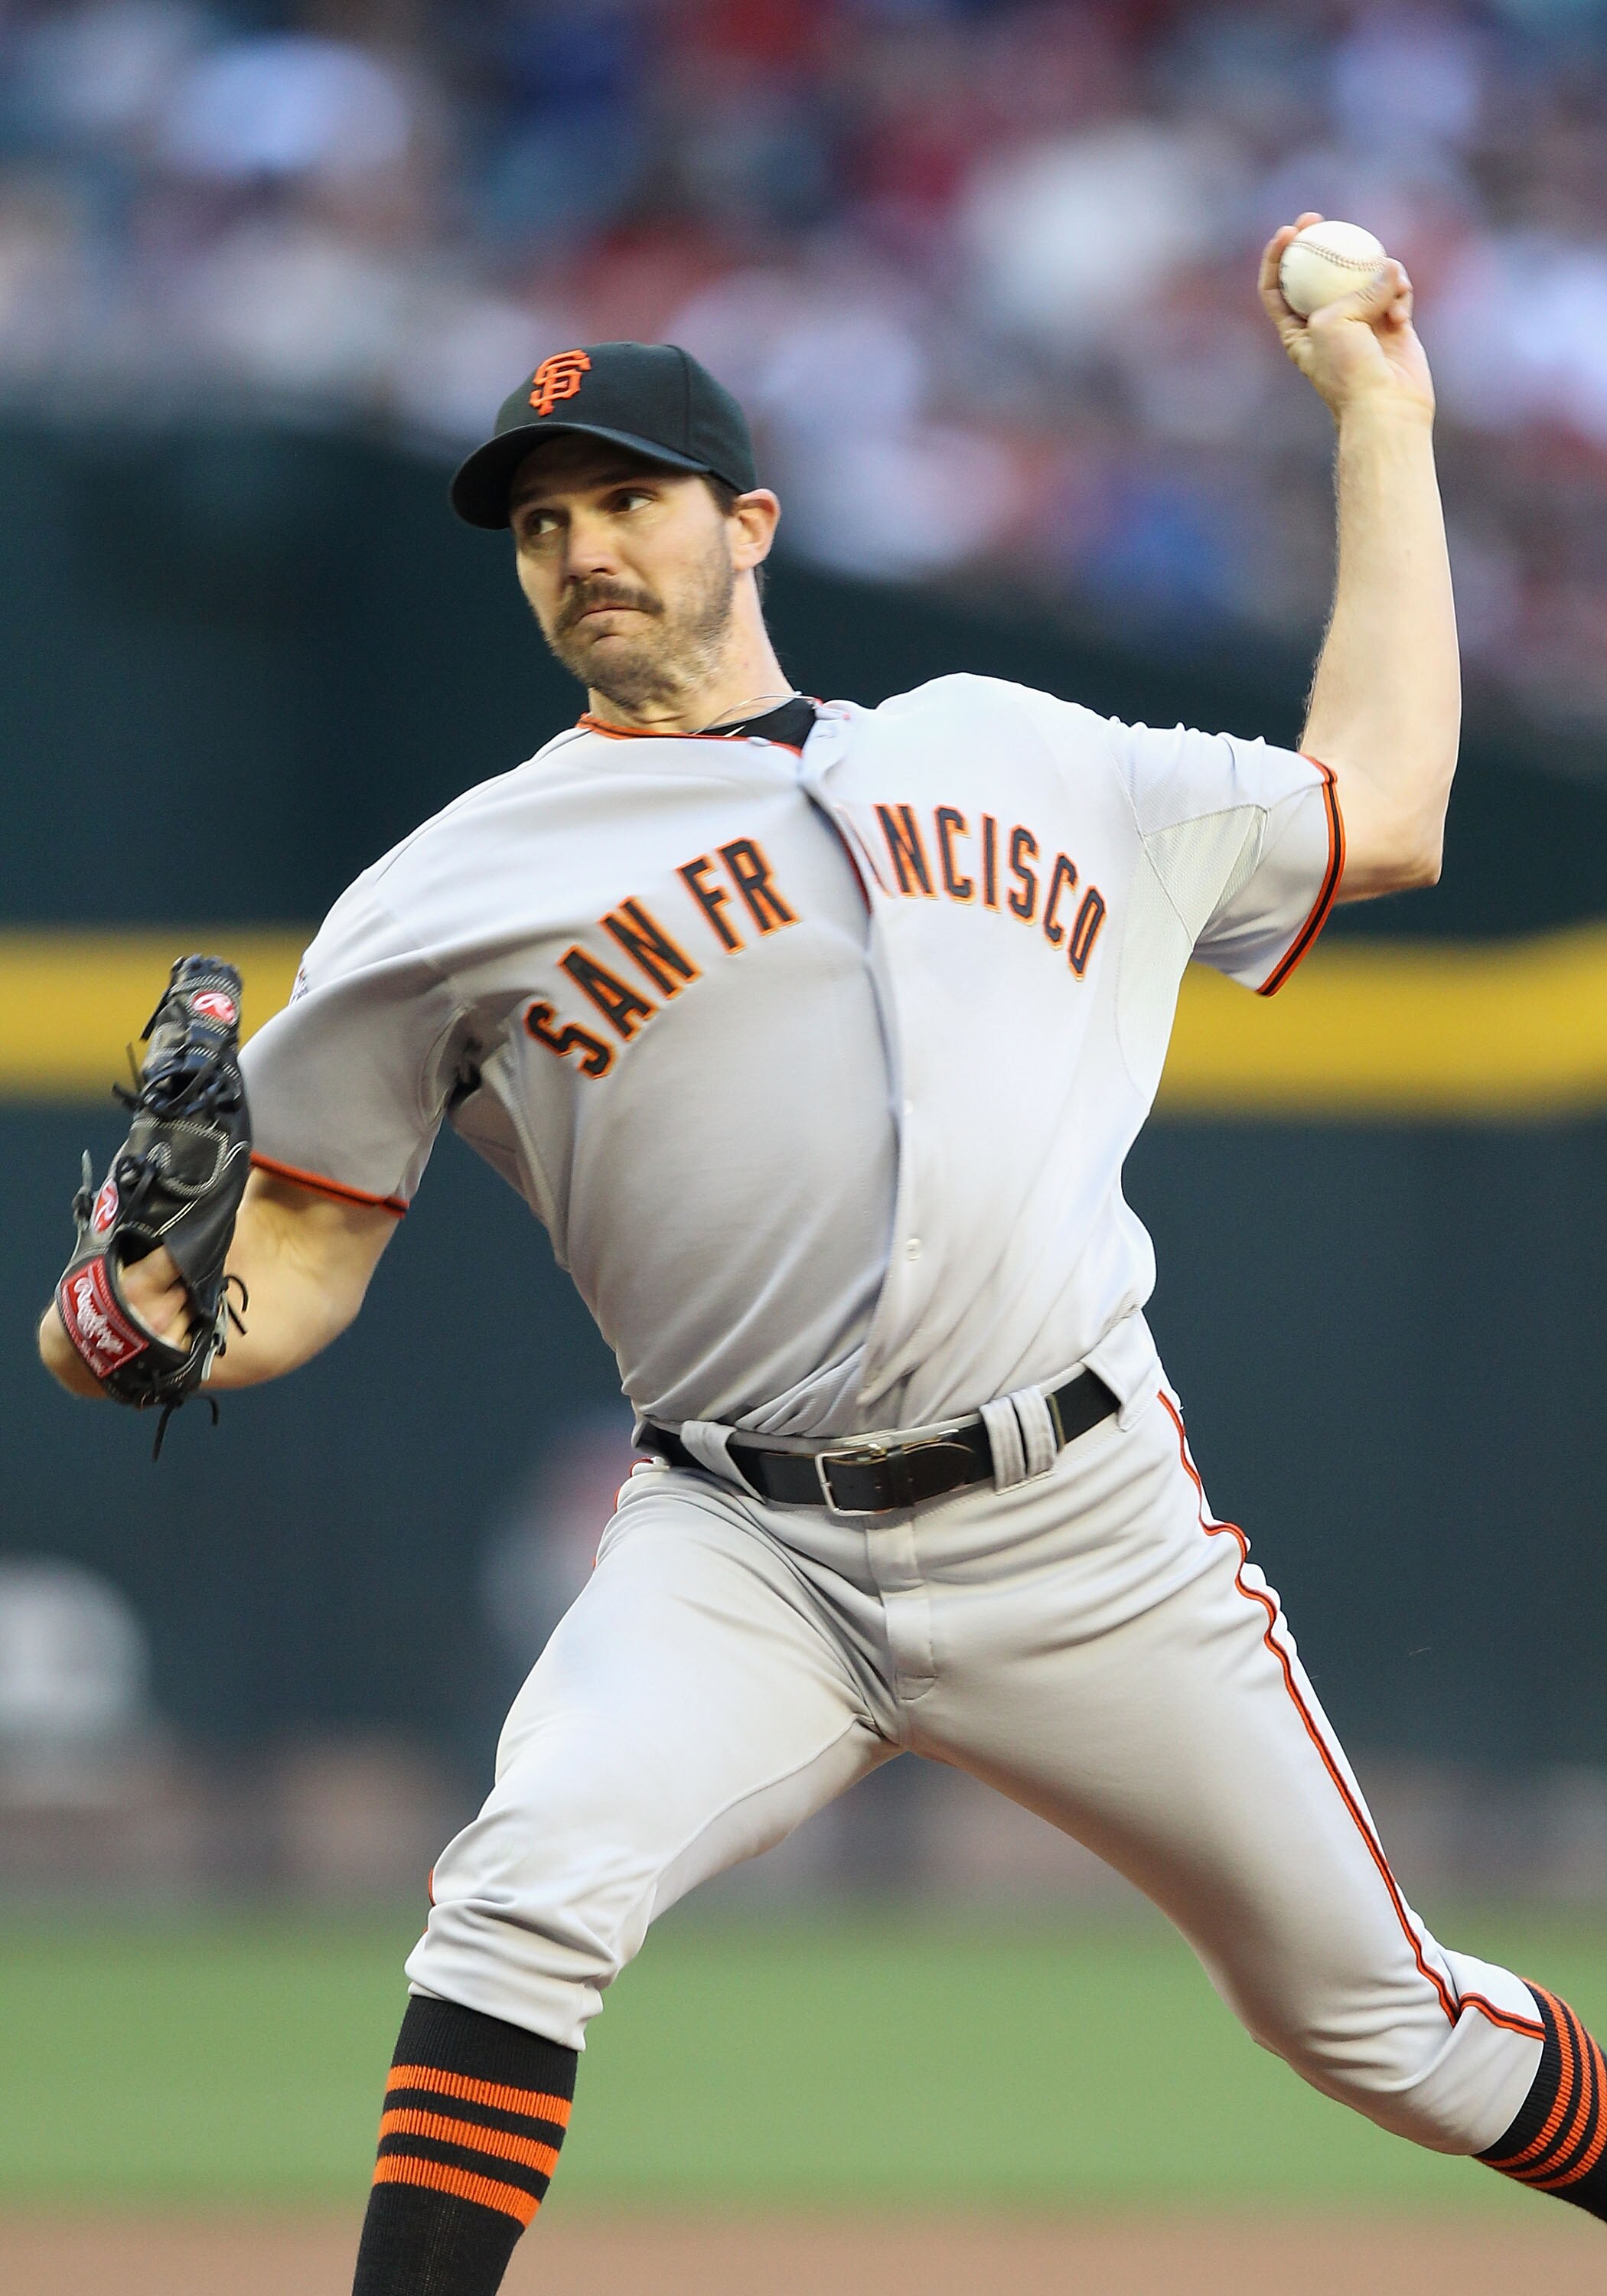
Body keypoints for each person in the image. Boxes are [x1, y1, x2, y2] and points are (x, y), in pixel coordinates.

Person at [41, 216, 1607, 2291]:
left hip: (1083, 1526)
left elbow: (1385, 807)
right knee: (520, 1894)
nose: (584, 547)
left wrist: (1382, 416)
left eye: (628, 500)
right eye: (541, 524)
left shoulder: (1027, 752)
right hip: (737, 1545)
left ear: (750, 520)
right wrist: (129, 1323)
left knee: (1378, 2024)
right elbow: (294, 1266)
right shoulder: (440, 895)